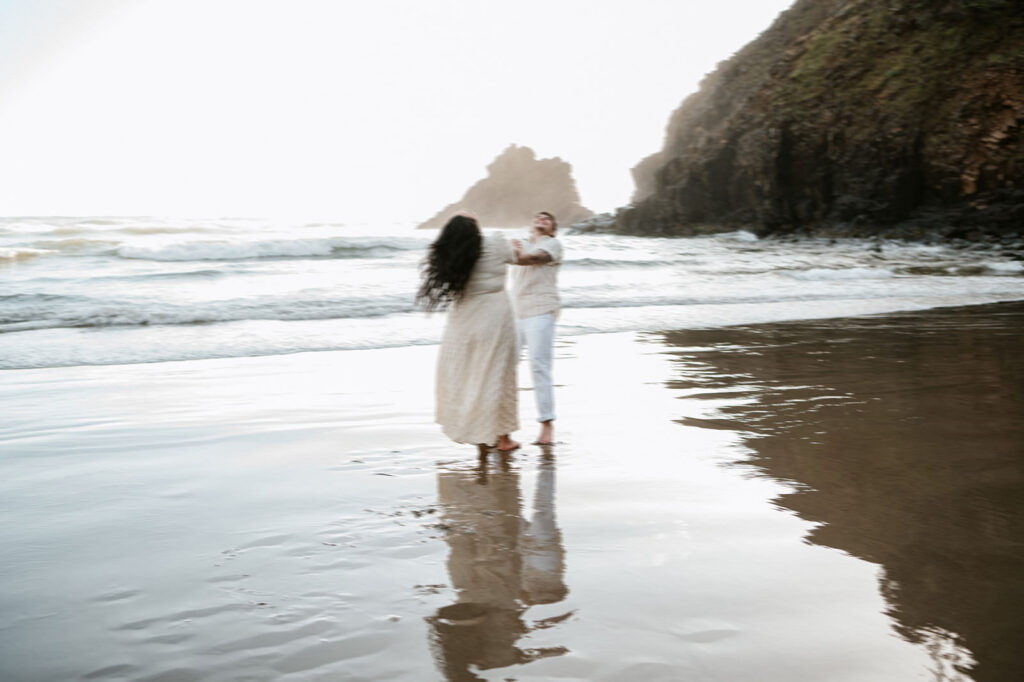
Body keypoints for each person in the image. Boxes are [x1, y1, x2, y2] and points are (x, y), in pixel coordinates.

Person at [418, 213, 520, 454]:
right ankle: (503, 438)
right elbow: (520, 258)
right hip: (494, 318)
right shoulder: (495, 243)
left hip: (462, 321)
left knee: (467, 377)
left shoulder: (452, 256)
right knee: (498, 375)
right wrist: (518, 248)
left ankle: (480, 436)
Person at [510, 211, 563, 445]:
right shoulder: (520, 242)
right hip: (514, 311)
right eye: (538, 217)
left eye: (547, 219)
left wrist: (513, 253)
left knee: (539, 366)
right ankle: (503, 430)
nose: (542, 219)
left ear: (552, 229)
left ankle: (546, 426)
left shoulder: (553, 244)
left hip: (540, 310)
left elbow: (533, 259)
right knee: (504, 368)